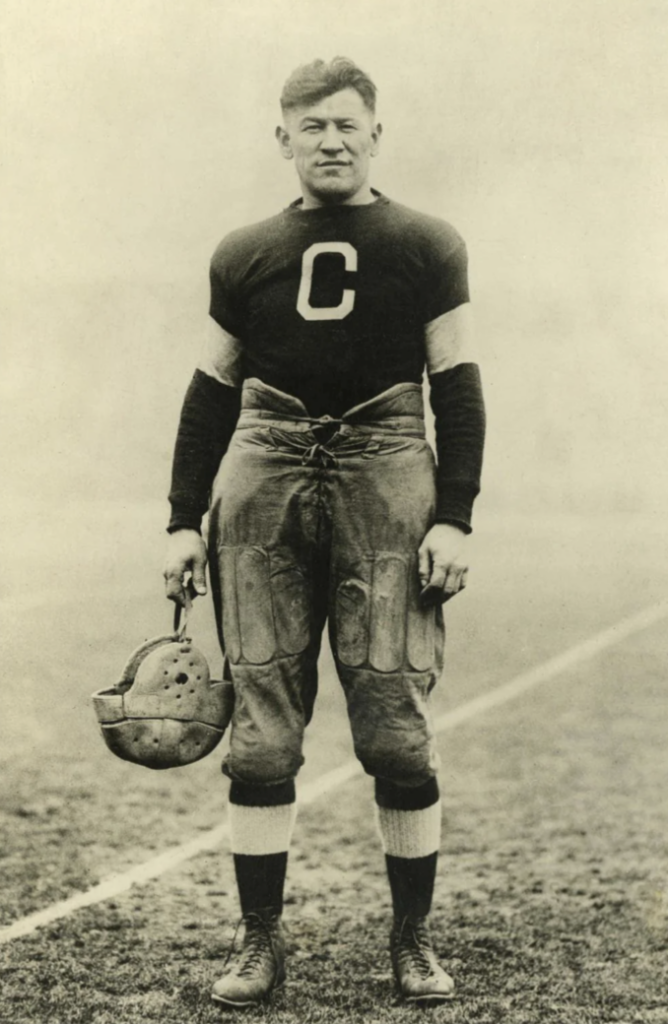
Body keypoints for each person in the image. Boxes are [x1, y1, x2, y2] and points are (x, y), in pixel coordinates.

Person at [163, 56, 485, 1009]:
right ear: (284, 139)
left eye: (347, 125)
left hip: (388, 462)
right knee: (260, 734)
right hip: (263, 464)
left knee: (394, 723)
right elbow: (211, 390)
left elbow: (459, 387)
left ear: (375, 133)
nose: (331, 141)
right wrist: (182, 520)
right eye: (312, 127)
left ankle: (412, 939)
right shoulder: (244, 249)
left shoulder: (427, 240)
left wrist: (457, 516)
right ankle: (259, 942)